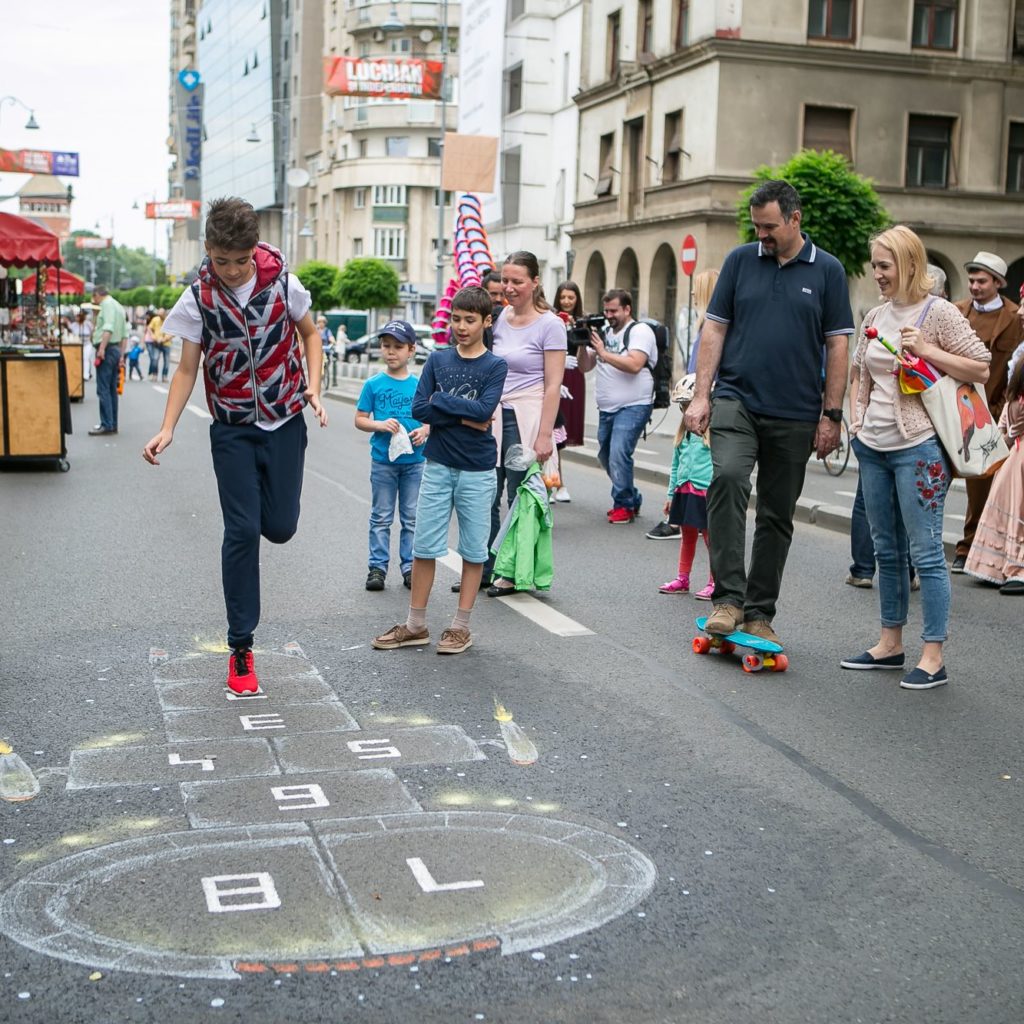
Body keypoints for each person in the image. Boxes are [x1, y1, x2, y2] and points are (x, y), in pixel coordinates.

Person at [142, 196, 328, 695]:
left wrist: (314, 383)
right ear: (208, 250)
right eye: (220, 260)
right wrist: (169, 427)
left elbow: (311, 336)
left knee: (281, 528)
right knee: (242, 531)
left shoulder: (283, 284)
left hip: (286, 420)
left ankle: (245, 631)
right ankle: (241, 648)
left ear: (254, 251)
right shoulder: (198, 297)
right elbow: (186, 368)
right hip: (232, 428)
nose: (229, 270)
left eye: (239, 261)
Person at [685, 179, 854, 645]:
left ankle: (759, 612)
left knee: (777, 515)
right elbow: (714, 329)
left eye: (770, 226)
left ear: (795, 219)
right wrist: (702, 395)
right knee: (727, 479)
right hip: (736, 400)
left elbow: (837, 344)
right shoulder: (741, 261)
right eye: (756, 226)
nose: (761, 234)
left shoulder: (828, 271)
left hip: (797, 412)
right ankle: (728, 600)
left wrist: (831, 415)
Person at [840, 225, 990, 690]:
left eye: (884, 266)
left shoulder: (938, 313)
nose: (876, 274)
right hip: (874, 446)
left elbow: (981, 365)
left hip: (920, 448)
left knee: (925, 552)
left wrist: (927, 349)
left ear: (907, 264)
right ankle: (890, 644)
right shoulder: (879, 314)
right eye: (875, 265)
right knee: (887, 550)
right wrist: (857, 421)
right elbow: (861, 373)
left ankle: (932, 655)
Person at [372, 286, 507, 655]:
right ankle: (416, 624)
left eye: (469, 320)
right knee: (425, 545)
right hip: (436, 464)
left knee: (473, 550)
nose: (460, 327)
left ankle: (460, 627)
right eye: (456, 319)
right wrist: (465, 410)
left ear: (486, 322)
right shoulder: (437, 361)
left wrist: (444, 406)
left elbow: (485, 413)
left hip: (478, 470)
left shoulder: (496, 365)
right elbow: (420, 409)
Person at [484, 251, 566, 595]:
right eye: (506, 280)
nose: (509, 287)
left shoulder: (551, 324)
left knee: (524, 498)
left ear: (535, 282)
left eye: (517, 281)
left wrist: (545, 436)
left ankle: (512, 571)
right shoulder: (500, 317)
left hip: (528, 419)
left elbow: (553, 384)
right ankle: (485, 567)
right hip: (496, 418)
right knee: (487, 493)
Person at [950, 251, 1023, 573]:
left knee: (1004, 485)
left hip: (1001, 410)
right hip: (963, 409)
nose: (975, 286)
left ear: (998, 283)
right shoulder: (957, 312)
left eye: (982, 281)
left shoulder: (1014, 317)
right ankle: (966, 548)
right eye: (971, 280)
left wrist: (1003, 409)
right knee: (976, 483)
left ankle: (996, 554)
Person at [355, 319, 429, 592]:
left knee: (411, 517)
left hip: (414, 462)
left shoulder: (420, 384)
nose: (391, 352)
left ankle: (410, 567)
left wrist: (425, 430)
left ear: (411, 350)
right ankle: (377, 567)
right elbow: (360, 419)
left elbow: (430, 419)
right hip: (383, 461)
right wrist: (379, 425)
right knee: (381, 516)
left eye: (398, 347)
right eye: (386, 346)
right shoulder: (373, 385)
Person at [576, 289, 658, 524]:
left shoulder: (639, 331)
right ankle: (631, 496)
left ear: (627, 309)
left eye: (613, 311)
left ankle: (623, 505)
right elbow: (585, 367)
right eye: (606, 311)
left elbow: (634, 364)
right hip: (607, 408)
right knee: (605, 455)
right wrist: (583, 343)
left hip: (634, 404)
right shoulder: (602, 332)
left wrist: (603, 351)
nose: (609, 315)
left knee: (619, 452)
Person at [965, 355, 1024, 594]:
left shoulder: (1012, 402)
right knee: (1018, 513)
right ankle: (1017, 567)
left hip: (1011, 462)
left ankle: (995, 564)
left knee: (1008, 511)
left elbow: (1004, 434)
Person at [658, 374, 715, 600]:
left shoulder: (711, 434)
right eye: (682, 408)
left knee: (711, 539)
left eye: (687, 406)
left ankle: (715, 581)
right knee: (687, 536)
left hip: (705, 492)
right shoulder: (683, 435)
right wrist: (671, 494)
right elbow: (675, 466)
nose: (685, 413)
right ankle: (683, 578)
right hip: (685, 491)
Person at [552, 280, 587, 503]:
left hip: (575, 378)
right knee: (554, 433)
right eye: (563, 297)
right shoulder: (550, 319)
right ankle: (556, 481)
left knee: (564, 434)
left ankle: (557, 481)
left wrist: (580, 332)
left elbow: (586, 358)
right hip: (556, 375)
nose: (566, 302)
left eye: (571, 298)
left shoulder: (581, 322)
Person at [89, 285, 129, 436]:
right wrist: (121, 356)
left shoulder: (107, 305)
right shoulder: (118, 306)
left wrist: (101, 349)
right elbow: (125, 334)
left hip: (107, 349)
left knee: (103, 388)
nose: (95, 301)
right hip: (115, 350)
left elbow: (108, 328)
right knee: (112, 389)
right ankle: (112, 424)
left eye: (95, 298)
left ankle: (106, 424)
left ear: (98, 294)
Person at [70, 310, 94, 381]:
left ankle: (85, 375)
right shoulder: (74, 325)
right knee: (78, 359)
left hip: (87, 344)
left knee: (85, 358)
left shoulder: (87, 324)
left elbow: (92, 331)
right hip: (77, 344)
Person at [148, 308, 171, 382]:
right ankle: (155, 375)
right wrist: (152, 336)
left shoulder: (169, 320)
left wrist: (166, 338)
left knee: (166, 361)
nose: (160, 316)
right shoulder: (155, 319)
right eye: (159, 315)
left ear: (164, 314)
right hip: (156, 342)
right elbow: (149, 328)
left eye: (161, 315)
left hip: (166, 343)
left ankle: (164, 376)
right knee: (155, 359)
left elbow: (173, 332)